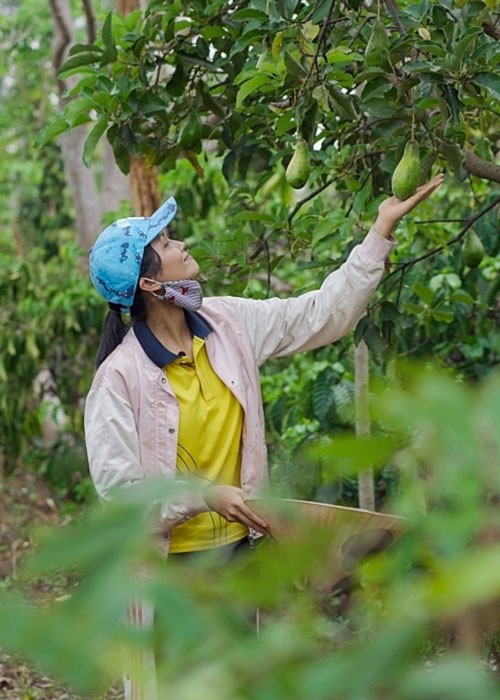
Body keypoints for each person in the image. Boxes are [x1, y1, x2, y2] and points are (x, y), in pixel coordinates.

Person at [85, 175, 444, 558]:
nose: (181, 244)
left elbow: (320, 314)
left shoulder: (227, 323)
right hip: (171, 566)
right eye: (166, 244)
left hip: (244, 548)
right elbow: (121, 496)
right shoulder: (118, 378)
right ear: (149, 284)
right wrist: (202, 497)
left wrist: (379, 230)